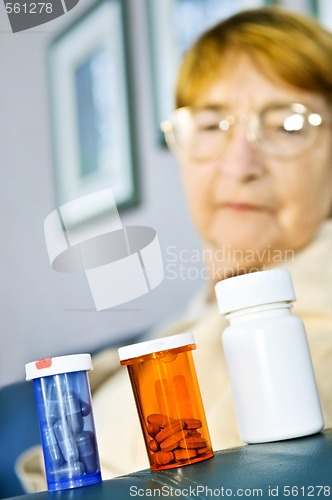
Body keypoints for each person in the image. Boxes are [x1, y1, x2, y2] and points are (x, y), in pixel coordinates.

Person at [17, 6, 332, 491]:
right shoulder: (199, 315)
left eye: (288, 126)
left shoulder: (311, 345)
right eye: (210, 125)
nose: (239, 164)